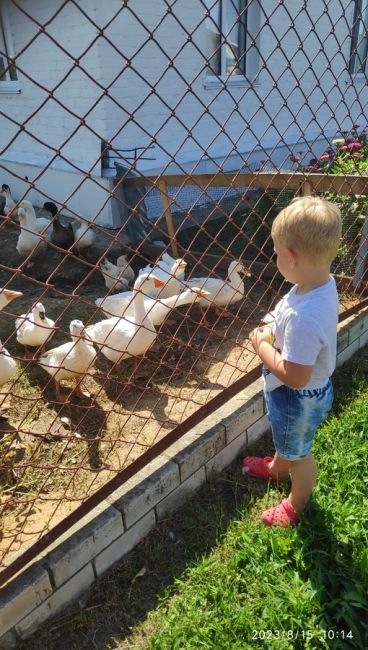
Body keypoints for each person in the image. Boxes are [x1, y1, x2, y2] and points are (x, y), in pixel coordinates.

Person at [243, 196, 342, 527]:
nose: (273, 258)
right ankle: (276, 468)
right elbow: (287, 310)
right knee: (289, 439)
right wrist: (272, 325)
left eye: (274, 253)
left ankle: (295, 503)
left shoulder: (305, 318)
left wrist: (261, 346)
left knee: (300, 455)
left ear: (291, 256)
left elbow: (295, 376)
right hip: (301, 394)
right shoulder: (317, 285)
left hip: (297, 396)